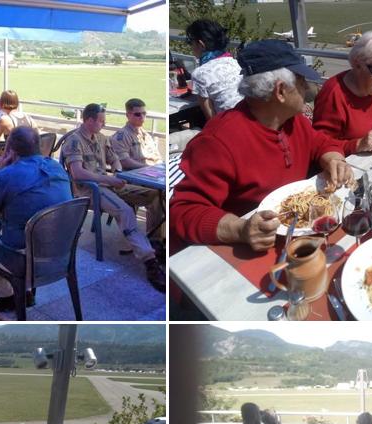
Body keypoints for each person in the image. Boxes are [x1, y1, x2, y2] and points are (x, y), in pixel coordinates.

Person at [170, 40, 352, 252]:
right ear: (281, 91)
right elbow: (183, 211)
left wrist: (332, 158)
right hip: (248, 251)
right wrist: (240, 229)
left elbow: (320, 142)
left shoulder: (292, 119)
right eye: (301, 81)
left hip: (302, 234)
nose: (306, 88)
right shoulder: (219, 140)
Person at [0, 126, 73, 312]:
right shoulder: (57, 167)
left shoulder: (9, 174)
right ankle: (25, 291)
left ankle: (8, 294)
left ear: (11, 151)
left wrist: (0, 171)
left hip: (25, 258)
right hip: (61, 252)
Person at [61, 102, 166, 291]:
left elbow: (113, 158)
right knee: (125, 211)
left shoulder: (101, 138)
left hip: (107, 184)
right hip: (89, 189)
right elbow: (78, 174)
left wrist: (117, 171)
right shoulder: (75, 141)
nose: (104, 123)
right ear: (89, 120)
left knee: (154, 194)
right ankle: (150, 261)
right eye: (101, 120)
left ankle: (155, 241)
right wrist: (109, 180)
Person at [110, 98, 165, 239]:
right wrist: (147, 167)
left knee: (168, 193)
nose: (142, 117)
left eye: (144, 113)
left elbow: (157, 157)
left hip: (151, 176)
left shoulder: (145, 135)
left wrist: (157, 168)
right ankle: (155, 238)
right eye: (137, 114)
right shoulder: (121, 136)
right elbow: (124, 162)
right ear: (128, 115)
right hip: (131, 180)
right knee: (158, 197)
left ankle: (163, 235)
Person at [187, 19, 242, 119]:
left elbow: (211, 119)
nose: (190, 46)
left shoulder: (200, 74)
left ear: (201, 44)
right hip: (249, 123)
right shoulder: (234, 62)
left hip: (228, 128)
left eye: (190, 42)